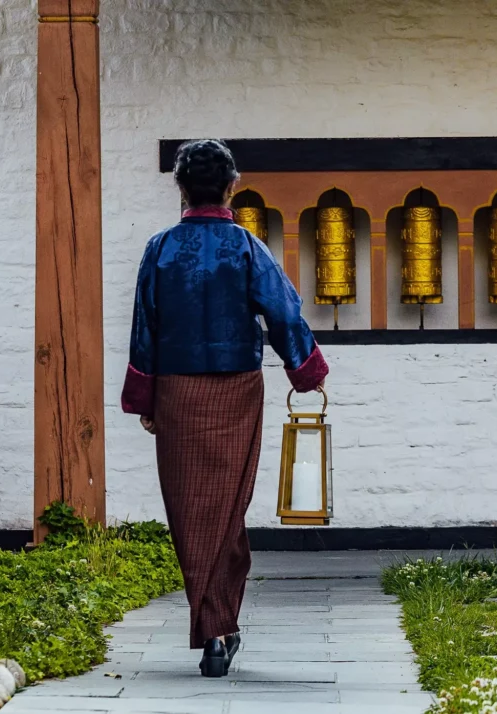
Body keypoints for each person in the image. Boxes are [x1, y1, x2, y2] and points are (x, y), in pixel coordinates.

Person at [121, 139, 329, 678]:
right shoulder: (247, 248)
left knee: (193, 512)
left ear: (181, 187)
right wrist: (306, 369)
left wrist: (146, 397)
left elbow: (145, 327)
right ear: (232, 185)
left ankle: (214, 628)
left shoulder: (159, 249)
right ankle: (219, 628)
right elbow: (283, 311)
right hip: (237, 389)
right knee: (225, 507)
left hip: (177, 392)